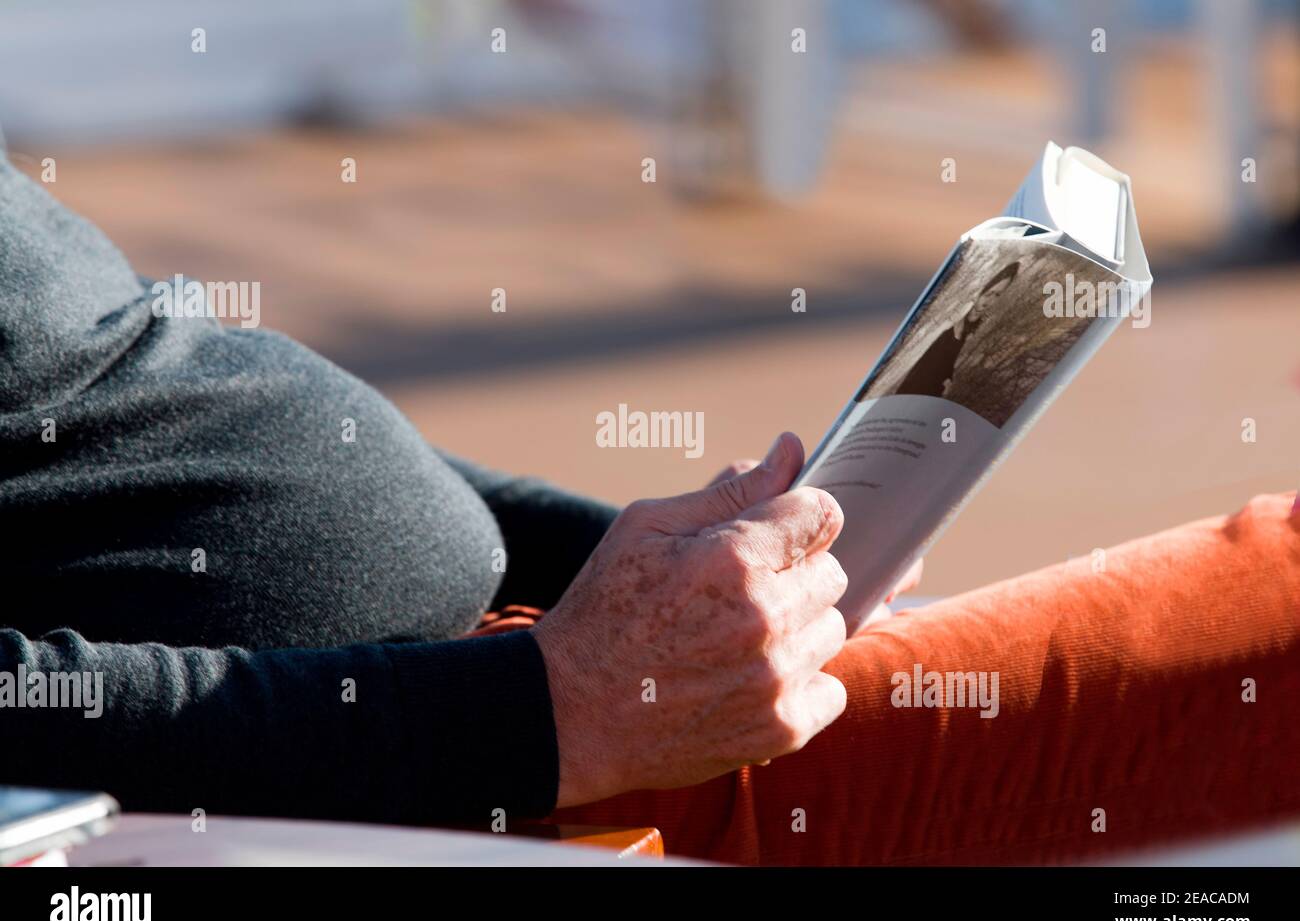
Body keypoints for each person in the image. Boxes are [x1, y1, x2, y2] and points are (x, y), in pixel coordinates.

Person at [3, 154, 1297, 864]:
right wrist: (555, 712)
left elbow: (151, 397)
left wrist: (646, 562)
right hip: (470, 779)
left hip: (524, 694)